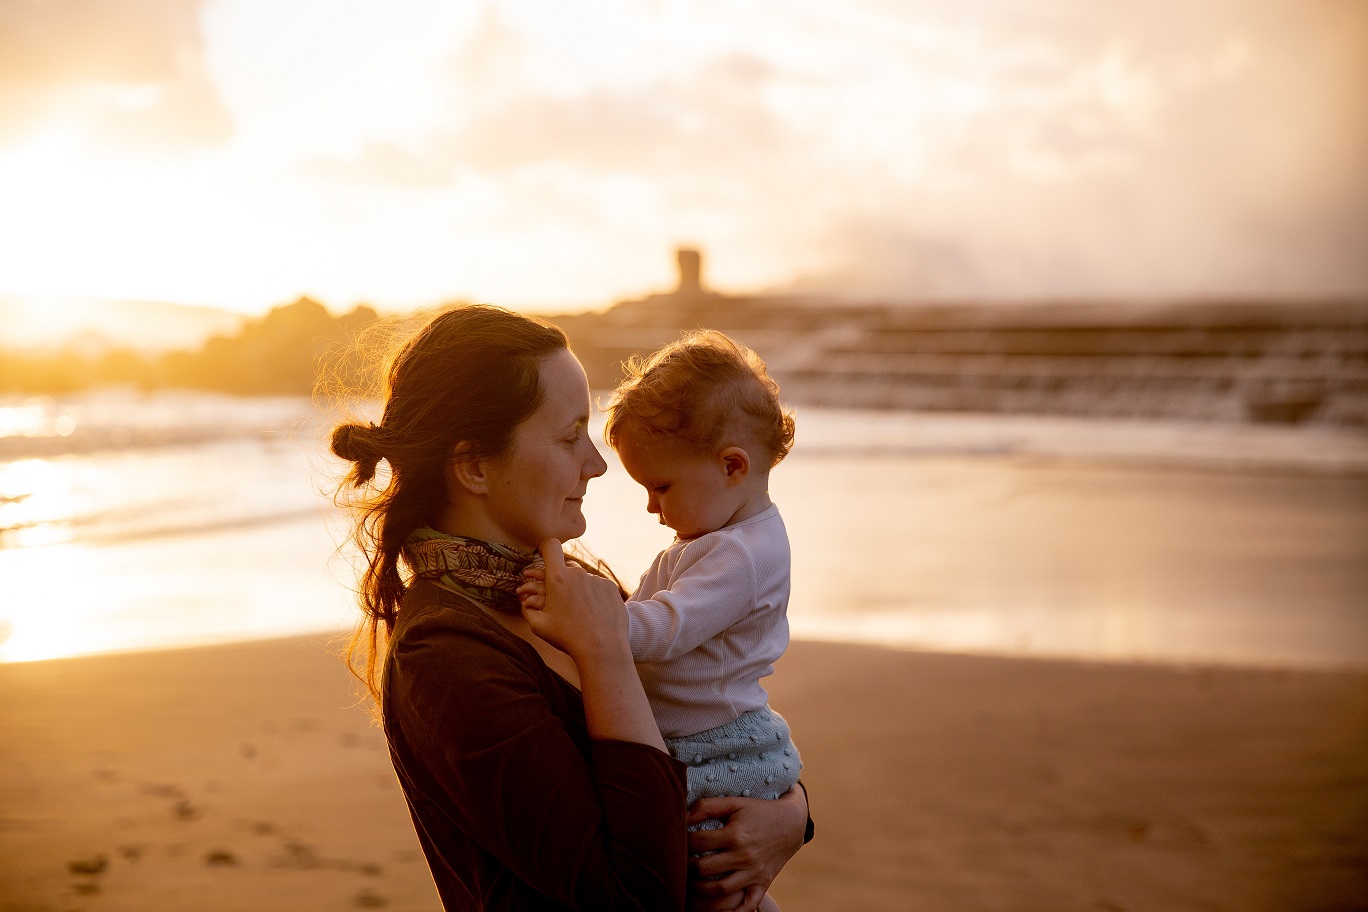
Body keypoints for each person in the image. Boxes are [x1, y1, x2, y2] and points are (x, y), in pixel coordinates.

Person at [329, 305, 809, 912]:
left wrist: (791, 815)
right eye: (568, 435)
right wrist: (604, 652)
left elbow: (708, 721)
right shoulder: (446, 660)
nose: (597, 462)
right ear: (475, 466)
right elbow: (634, 897)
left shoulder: (567, 586)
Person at [519, 331, 801, 912]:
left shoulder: (740, 554)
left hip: (715, 747)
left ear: (732, 465)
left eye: (661, 486)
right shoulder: (711, 539)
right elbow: (642, 610)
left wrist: (591, 619)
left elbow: (665, 626)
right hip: (702, 738)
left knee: (713, 881)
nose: (651, 506)